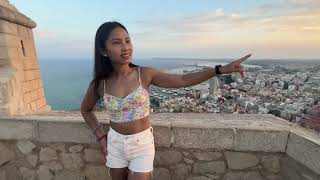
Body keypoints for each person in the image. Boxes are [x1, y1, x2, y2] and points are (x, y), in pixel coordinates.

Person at [81, 21, 251, 180]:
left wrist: (219, 70)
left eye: (128, 41)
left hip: (142, 145)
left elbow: (184, 80)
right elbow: (86, 110)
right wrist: (101, 137)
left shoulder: (144, 74)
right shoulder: (100, 84)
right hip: (115, 144)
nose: (126, 48)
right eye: (117, 43)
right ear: (104, 50)